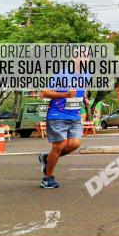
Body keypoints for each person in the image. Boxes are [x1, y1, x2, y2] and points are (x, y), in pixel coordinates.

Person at [39, 54, 91, 189]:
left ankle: (47, 158)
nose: (85, 60)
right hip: (58, 114)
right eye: (82, 57)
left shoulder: (87, 74)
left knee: (75, 144)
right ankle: (47, 178)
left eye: (87, 58)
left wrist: (85, 99)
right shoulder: (62, 74)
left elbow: (83, 90)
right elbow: (44, 92)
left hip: (75, 116)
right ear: (75, 59)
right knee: (59, 146)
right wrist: (64, 95)